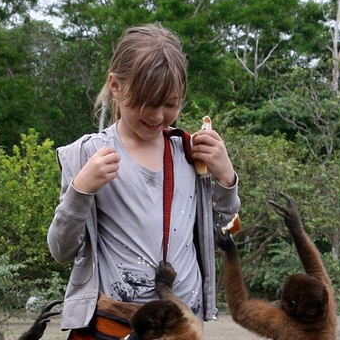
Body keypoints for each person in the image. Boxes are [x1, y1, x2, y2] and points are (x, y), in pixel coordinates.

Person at [47, 23, 240, 336]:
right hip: (115, 326)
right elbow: (61, 250)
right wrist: (80, 190)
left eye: (170, 104)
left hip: (183, 327)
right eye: (144, 103)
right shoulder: (87, 156)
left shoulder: (192, 154)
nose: (157, 116)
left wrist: (226, 177)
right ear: (115, 86)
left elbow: (228, 230)